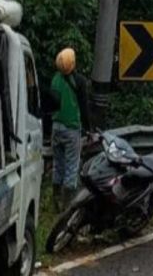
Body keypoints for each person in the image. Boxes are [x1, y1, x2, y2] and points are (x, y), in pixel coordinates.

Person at [49, 47, 90, 210]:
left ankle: (55, 201)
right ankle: (68, 206)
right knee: (72, 166)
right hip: (71, 128)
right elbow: (84, 106)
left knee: (57, 164)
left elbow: (50, 105)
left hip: (56, 127)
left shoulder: (55, 79)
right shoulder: (79, 81)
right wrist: (88, 128)